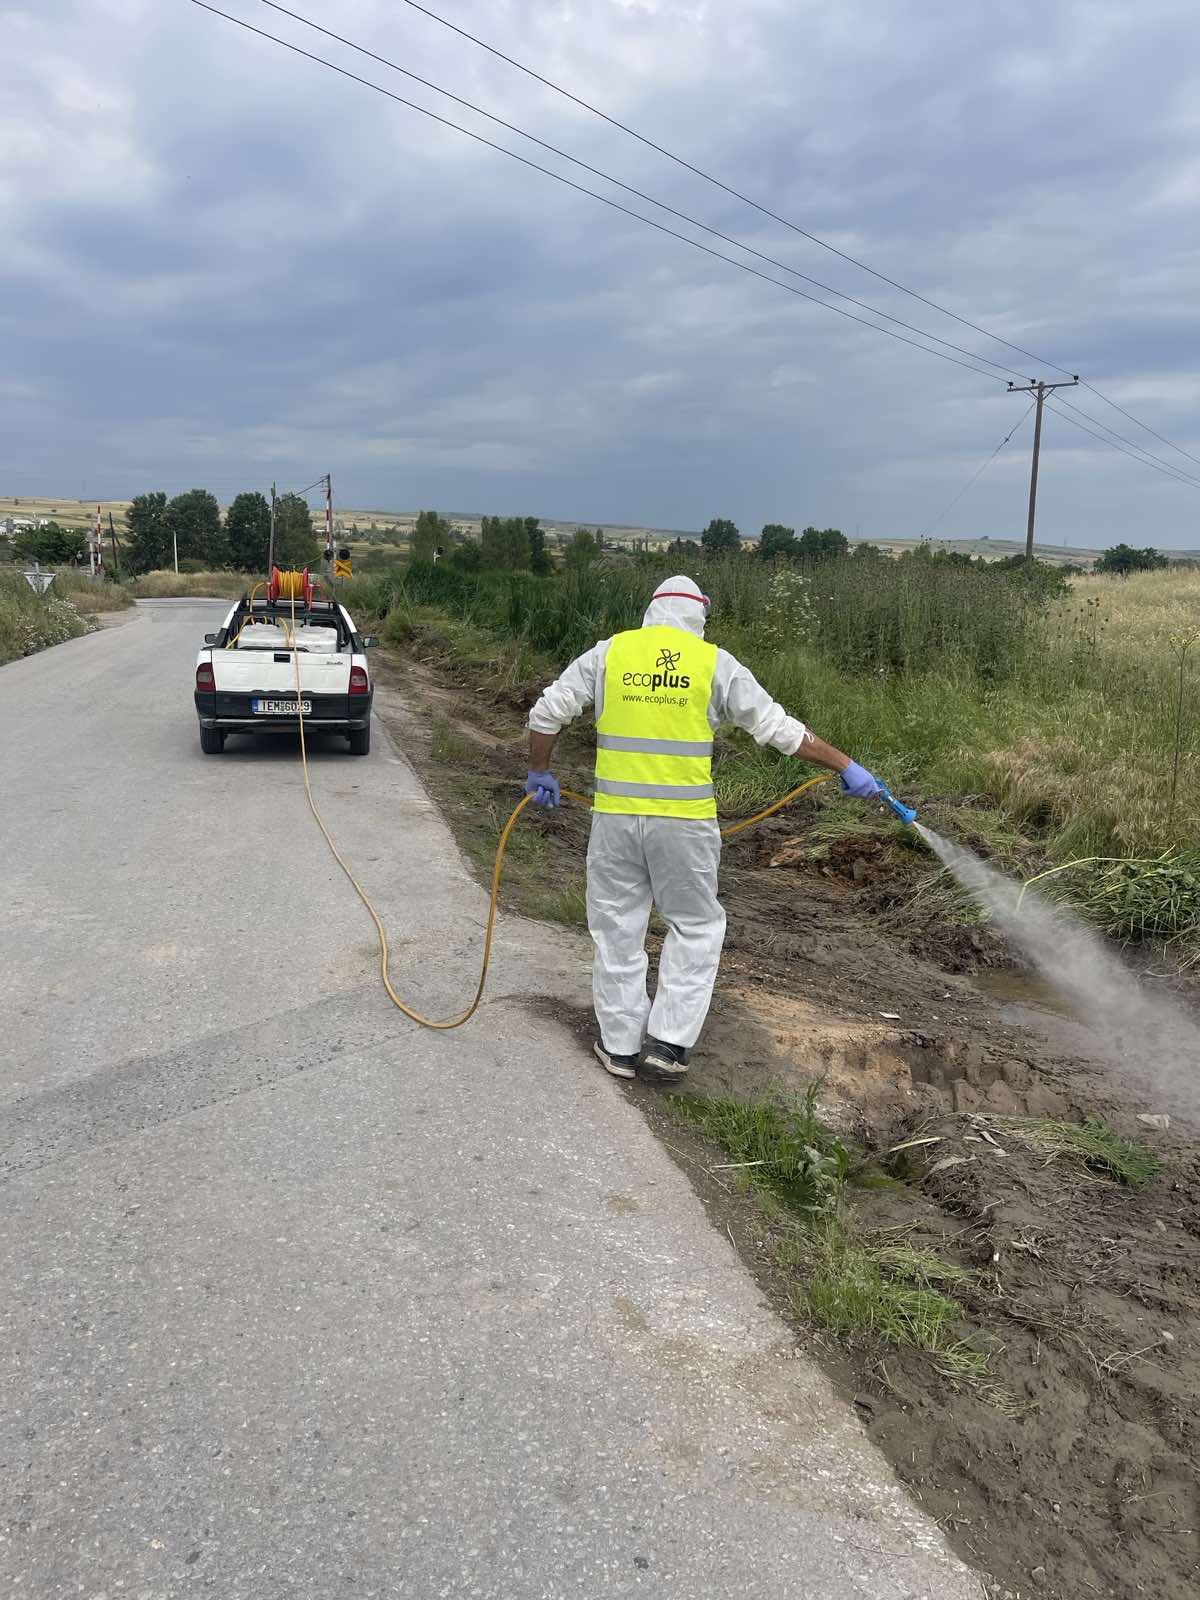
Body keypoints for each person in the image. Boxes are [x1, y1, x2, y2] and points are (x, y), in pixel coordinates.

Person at [525, 573, 881, 1082]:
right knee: (695, 926)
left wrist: (539, 771)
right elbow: (779, 728)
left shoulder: (609, 654)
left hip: (616, 820)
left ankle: (620, 1047)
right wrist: (845, 765)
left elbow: (545, 714)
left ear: (651, 609)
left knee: (617, 926)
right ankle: (668, 1046)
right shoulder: (714, 663)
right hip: (685, 826)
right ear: (700, 614)